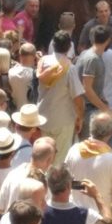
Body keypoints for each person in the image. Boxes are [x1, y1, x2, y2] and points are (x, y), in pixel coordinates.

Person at [63, 111, 112, 218]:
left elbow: (65, 182)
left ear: (90, 129)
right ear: (111, 132)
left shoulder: (73, 150)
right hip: (100, 218)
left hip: (74, 215)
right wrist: (106, 199)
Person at [38, 31, 85, 166]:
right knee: (59, 160)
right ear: (70, 46)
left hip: (43, 117)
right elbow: (77, 98)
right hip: (62, 120)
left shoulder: (42, 62)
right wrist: (80, 118)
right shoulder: (69, 68)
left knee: (43, 157)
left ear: (53, 44)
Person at [43, 165, 109, 224]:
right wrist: (97, 196)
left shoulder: (39, 211)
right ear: (68, 185)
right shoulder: (86, 215)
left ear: (48, 184)